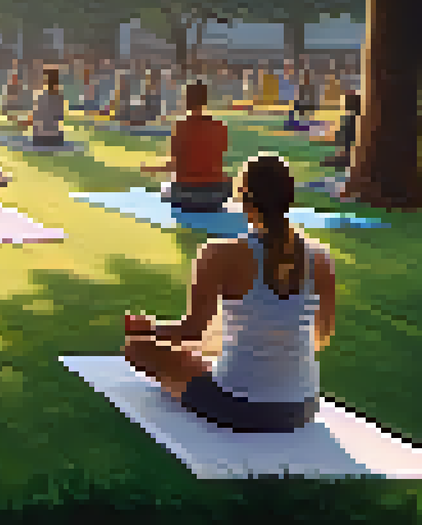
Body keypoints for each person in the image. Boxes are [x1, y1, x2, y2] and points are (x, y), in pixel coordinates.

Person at [123, 154, 335, 433]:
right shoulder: (320, 257)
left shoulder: (219, 253)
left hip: (240, 406)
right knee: (207, 348)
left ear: (242, 198)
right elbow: (321, 337)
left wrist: (148, 328)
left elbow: (192, 332)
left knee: (138, 348)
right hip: (303, 407)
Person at [141, 81, 231, 212]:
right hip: (217, 194)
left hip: (185, 195)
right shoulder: (220, 126)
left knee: (165, 187)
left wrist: (152, 169)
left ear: (186, 101)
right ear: (205, 100)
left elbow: (175, 165)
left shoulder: (180, 127)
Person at [14, 68, 67, 147]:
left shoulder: (41, 98)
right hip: (55, 138)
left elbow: (36, 118)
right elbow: (60, 117)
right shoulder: (59, 98)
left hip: (40, 138)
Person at [319, 93, 360, 169]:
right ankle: (343, 157)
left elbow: (345, 136)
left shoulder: (351, 119)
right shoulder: (351, 118)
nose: (343, 106)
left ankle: (344, 158)